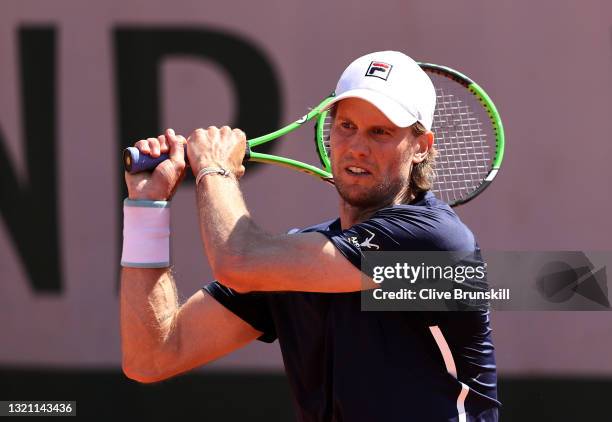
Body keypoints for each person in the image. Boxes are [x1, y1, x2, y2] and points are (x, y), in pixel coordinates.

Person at [120, 51, 500, 421]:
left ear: (420, 147)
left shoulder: (436, 242)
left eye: (380, 132)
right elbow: (153, 357)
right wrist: (147, 207)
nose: (357, 146)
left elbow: (237, 260)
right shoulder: (298, 260)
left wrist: (214, 169)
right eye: (346, 125)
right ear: (329, 132)